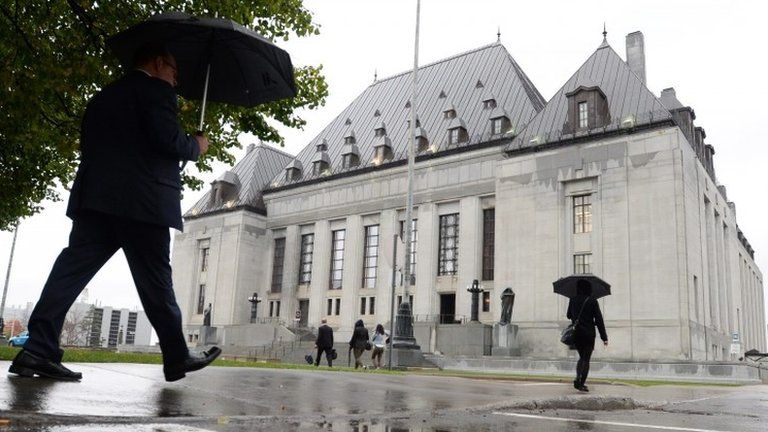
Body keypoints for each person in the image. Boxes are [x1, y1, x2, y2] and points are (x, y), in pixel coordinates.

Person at [8, 42, 220, 382]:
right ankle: (177, 356)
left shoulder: (103, 96)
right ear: (156, 61)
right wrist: (195, 145)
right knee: (156, 282)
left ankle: (37, 349)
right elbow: (167, 141)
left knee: (69, 273)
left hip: (96, 201)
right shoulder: (157, 92)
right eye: (173, 71)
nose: (175, 80)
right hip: (143, 204)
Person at [566, 279, 608, 392]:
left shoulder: (572, 299)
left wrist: (576, 317)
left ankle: (578, 378)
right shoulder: (592, 301)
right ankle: (581, 383)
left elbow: (568, 315)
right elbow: (599, 320)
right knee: (586, 359)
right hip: (589, 333)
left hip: (577, 333)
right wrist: (604, 337)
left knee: (581, 357)